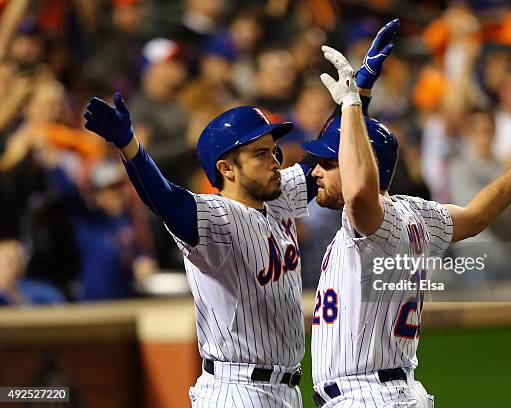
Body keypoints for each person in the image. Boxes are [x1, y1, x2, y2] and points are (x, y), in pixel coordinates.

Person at [83, 19, 399, 408]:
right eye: (260, 153)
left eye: (274, 150)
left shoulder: (278, 196)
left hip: (283, 390)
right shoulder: (216, 217)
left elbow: (334, 155)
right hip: (235, 389)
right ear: (227, 168)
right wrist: (130, 146)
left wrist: (358, 93)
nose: (275, 160)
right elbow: (164, 200)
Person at [304, 47, 511, 407]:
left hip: (365, 396)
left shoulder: (371, 220)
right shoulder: (415, 215)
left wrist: (354, 102)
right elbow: (476, 217)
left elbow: (358, 190)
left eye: (327, 162)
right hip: (388, 391)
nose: (315, 171)